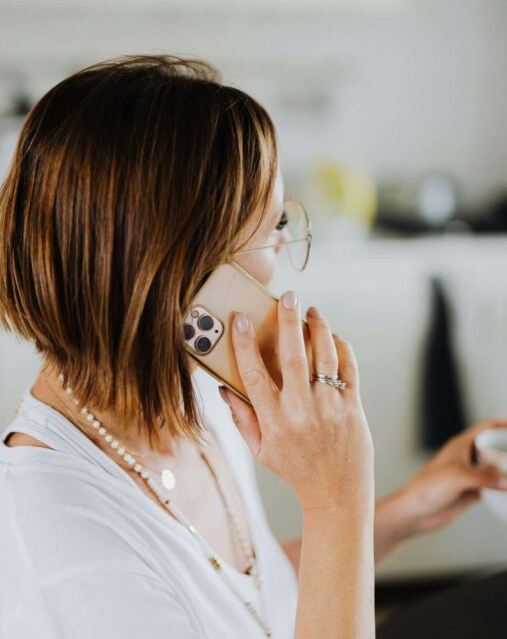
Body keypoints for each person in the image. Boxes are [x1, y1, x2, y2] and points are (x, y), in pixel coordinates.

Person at [0, 55, 505, 638]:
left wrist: (401, 512)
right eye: (271, 232)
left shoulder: (195, 397)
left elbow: (243, 606)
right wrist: (337, 496)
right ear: (183, 280)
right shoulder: (70, 565)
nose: (279, 264)